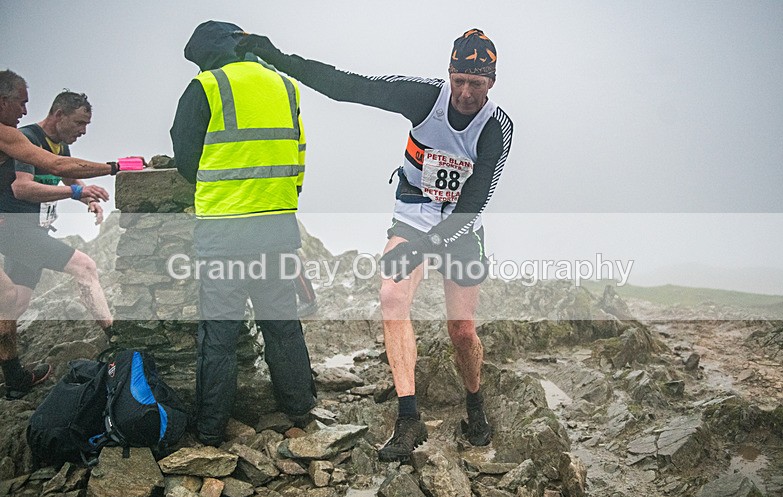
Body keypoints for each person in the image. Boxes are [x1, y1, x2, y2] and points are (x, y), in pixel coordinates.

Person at [237, 28, 513, 461]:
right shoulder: (424, 98)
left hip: (460, 225)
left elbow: (473, 204)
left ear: (491, 83)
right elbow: (349, 86)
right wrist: (276, 56)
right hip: (414, 213)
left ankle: (474, 403)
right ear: (449, 74)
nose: (463, 92)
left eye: (475, 84)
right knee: (391, 297)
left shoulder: (496, 127)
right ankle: (409, 418)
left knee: (461, 330)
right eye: (458, 80)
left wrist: (423, 250)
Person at [170, 21, 317, 446]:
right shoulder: (285, 86)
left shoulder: (206, 86)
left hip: (224, 230)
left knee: (219, 334)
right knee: (282, 323)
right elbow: (298, 149)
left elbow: (185, 157)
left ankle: (212, 428)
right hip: (276, 224)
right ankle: (300, 409)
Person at [0, 70, 135, 399]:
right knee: (85, 267)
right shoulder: (23, 138)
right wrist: (116, 167)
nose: (23, 110)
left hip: (26, 230)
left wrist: (84, 194)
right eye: (21, 102)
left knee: (14, 302)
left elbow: (61, 173)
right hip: (14, 229)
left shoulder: (43, 143)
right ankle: (119, 344)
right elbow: (24, 187)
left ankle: (14, 377)